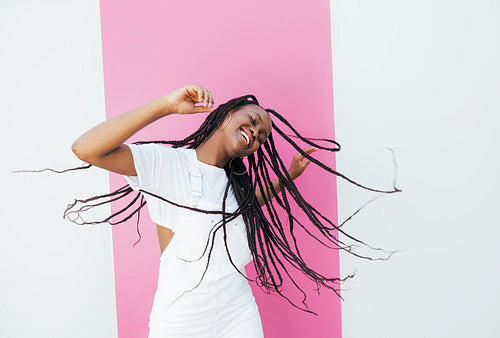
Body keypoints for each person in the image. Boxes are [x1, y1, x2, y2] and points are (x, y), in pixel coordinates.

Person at [69, 84, 400, 337]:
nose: (256, 134)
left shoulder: (236, 185)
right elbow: (86, 148)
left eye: (262, 137)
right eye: (254, 121)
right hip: (181, 320)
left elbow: (238, 211)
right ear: (229, 112)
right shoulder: (166, 165)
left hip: (237, 313)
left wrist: (287, 178)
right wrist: (166, 106)